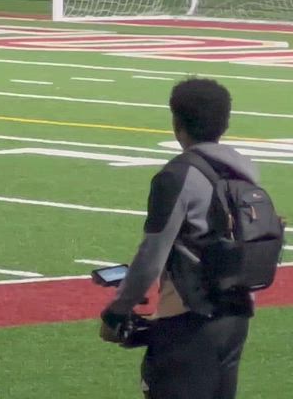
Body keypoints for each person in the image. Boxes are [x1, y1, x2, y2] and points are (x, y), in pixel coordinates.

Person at [100, 78, 256, 399]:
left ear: (177, 123)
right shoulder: (243, 170)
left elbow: (151, 256)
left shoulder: (178, 175)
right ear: (225, 122)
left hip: (188, 319)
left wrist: (117, 312)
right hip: (236, 316)